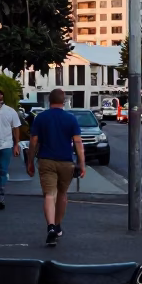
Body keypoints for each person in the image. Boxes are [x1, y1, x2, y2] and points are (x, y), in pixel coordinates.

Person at [26, 88, 85, 246]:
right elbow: (78, 143)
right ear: (64, 101)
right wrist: (82, 163)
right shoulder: (71, 119)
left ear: (49, 101)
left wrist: (30, 161)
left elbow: (33, 142)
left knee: (49, 195)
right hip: (66, 162)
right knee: (62, 194)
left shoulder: (40, 118)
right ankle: (58, 225)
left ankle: (51, 227)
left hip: (46, 161)